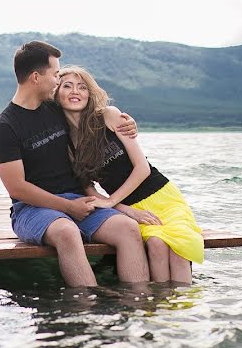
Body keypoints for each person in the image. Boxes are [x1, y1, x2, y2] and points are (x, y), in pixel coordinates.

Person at [0, 41, 150, 287]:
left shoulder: (55, 110)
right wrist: (67, 206)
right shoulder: (5, 127)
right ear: (36, 77)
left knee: (128, 229)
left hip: (78, 200)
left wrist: (126, 124)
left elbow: (96, 116)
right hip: (31, 209)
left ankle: (137, 305)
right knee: (67, 232)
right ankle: (86, 313)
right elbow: (17, 189)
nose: (57, 80)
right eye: (55, 74)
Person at [55, 65, 204, 284]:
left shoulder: (108, 116)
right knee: (155, 244)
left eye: (82, 87)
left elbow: (143, 168)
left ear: (90, 93)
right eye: (67, 86)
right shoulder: (67, 144)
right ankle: (158, 310)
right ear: (57, 94)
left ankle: (182, 310)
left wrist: (112, 201)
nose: (75, 91)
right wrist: (125, 210)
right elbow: (89, 190)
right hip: (130, 207)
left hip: (164, 197)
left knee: (177, 247)